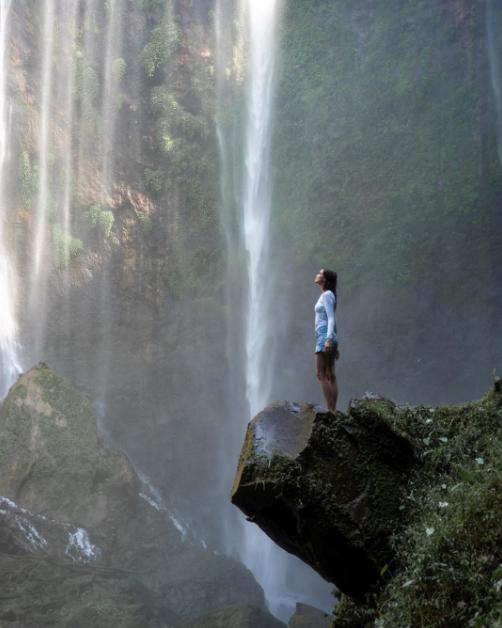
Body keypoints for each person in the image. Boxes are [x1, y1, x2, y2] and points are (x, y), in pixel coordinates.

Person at [314, 268, 339, 411]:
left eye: (320, 273)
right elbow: (332, 319)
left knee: (321, 373)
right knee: (330, 373)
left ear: (325, 279)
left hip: (324, 335)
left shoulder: (327, 295)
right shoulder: (327, 295)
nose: (317, 275)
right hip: (326, 335)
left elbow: (331, 318)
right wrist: (335, 341)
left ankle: (331, 409)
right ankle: (332, 409)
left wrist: (329, 339)